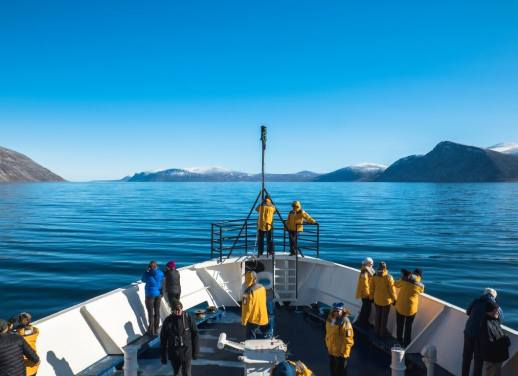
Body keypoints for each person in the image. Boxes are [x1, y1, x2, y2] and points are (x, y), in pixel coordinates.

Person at [462, 288, 500, 376]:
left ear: (484, 294)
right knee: (478, 361)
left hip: (469, 332)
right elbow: (500, 318)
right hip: (480, 336)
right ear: (494, 296)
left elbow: (468, 312)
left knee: (466, 357)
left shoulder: (476, 301)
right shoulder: (494, 305)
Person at [160, 301, 199, 376]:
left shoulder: (188, 318)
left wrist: (196, 351)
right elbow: (163, 339)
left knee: (187, 373)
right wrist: (163, 356)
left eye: (180, 309)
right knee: (177, 373)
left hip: (187, 352)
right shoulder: (168, 321)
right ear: (172, 311)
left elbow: (195, 334)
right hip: (174, 353)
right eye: (176, 310)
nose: (178, 312)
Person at [394, 270, 425, 347]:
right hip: (411, 309)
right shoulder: (420, 286)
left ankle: (399, 341)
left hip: (400, 306)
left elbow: (396, 284)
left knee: (400, 325)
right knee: (408, 326)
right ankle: (406, 343)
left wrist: (402, 278)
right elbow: (421, 291)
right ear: (420, 277)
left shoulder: (404, 280)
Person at [480, 301, 510, 376]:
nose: (498, 312)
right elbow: (490, 343)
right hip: (493, 359)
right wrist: (505, 341)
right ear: (490, 311)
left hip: (497, 357)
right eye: (496, 310)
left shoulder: (494, 320)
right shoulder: (486, 325)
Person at [325, 302, 354, 376]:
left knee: (341, 372)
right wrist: (328, 345)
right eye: (334, 310)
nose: (336, 312)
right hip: (332, 351)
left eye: (338, 311)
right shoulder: (330, 318)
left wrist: (344, 354)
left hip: (341, 354)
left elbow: (348, 340)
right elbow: (328, 333)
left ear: (342, 311)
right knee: (333, 371)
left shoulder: (345, 322)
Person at [370, 261, 396, 337]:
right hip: (386, 301)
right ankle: (382, 334)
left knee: (377, 316)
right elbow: (392, 290)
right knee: (384, 318)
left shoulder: (374, 276)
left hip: (377, 300)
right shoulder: (389, 277)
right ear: (385, 268)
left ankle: (376, 331)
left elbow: (372, 288)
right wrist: (394, 299)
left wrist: (371, 297)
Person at [241, 271, 269, 339]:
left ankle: (250, 348)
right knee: (265, 333)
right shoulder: (262, 287)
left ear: (247, 279)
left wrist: (244, 321)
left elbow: (247, 309)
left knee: (251, 336)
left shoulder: (247, 292)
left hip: (253, 319)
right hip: (263, 316)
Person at [142, 260, 165, 335]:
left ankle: (151, 330)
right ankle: (156, 328)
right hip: (158, 294)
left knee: (150, 312)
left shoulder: (147, 274)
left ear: (149, 267)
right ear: (156, 266)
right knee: (157, 311)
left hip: (149, 295)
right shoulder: (160, 273)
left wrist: (146, 272)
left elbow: (143, 280)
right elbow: (162, 279)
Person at [355, 257, 375, 328]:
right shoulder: (365, 271)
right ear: (368, 264)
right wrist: (368, 295)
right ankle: (364, 323)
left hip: (364, 293)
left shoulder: (366, 270)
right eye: (371, 264)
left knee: (364, 308)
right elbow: (365, 284)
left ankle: (362, 321)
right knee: (367, 309)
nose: (372, 265)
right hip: (365, 294)